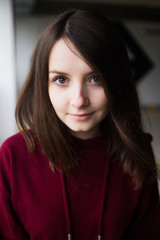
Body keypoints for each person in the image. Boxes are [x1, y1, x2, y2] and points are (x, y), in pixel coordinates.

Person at [0, 9, 160, 240]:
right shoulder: (13, 156)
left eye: (95, 78)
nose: (79, 100)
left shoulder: (136, 153)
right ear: (43, 86)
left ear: (117, 81)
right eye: (61, 79)